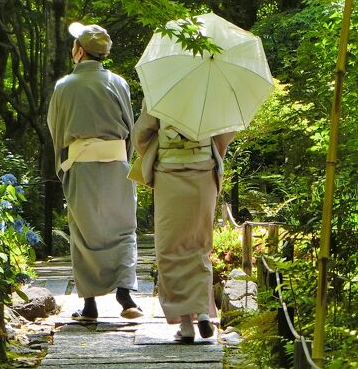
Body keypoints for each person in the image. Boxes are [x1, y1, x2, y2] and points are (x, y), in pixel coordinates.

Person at [47, 22, 142, 321]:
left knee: (82, 231)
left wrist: (63, 165)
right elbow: (129, 127)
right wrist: (125, 160)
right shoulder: (118, 83)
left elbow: (57, 129)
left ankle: (89, 304)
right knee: (123, 227)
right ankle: (126, 295)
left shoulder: (64, 86)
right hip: (116, 163)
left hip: (81, 163)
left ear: (79, 50)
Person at [131, 103, 235, 342]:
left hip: (170, 171)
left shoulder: (162, 88)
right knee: (199, 244)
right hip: (202, 171)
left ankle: (186, 324)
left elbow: (141, 134)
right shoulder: (210, 87)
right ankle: (202, 313)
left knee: (170, 248)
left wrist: (158, 146)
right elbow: (227, 130)